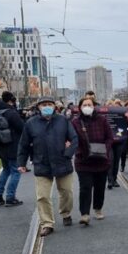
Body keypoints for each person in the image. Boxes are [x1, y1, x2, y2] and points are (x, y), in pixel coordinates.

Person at [17, 97, 79, 237]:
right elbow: (24, 144)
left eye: (49, 104)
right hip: (42, 163)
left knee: (66, 192)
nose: (46, 107)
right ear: (38, 107)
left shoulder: (63, 121)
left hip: (62, 161)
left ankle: (66, 213)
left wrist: (68, 154)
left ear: (54, 106)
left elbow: (74, 139)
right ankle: (47, 223)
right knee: (43, 196)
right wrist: (21, 163)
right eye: (43, 105)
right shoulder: (31, 123)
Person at [71, 97, 114, 225]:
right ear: (80, 107)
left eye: (89, 104)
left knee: (100, 187)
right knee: (85, 187)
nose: (87, 107)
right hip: (83, 161)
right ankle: (84, 214)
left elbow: (110, 137)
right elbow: (73, 139)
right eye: (85, 105)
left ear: (94, 106)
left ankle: (98, 208)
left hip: (101, 160)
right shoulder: (75, 122)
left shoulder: (102, 119)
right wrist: (79, 151)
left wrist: (104, 149)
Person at [0, 91, 25, 207]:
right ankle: (10, 197)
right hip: (13, 146)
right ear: (11, 101)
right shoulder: (11, 113)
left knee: (6, 170)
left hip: (1, 146)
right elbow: (22, 128)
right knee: (16, 171)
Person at [108, 100, 128, 188]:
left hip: (119, 140)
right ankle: (110, 180)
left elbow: (127, 125)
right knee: (110, 160)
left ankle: (115, 179)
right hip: (109, 141)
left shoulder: (121, 115)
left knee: (116, 160)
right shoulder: (103, 117)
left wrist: (127, 118)